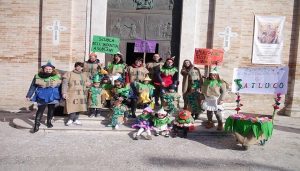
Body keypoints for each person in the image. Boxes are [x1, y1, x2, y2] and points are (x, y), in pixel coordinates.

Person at [26, 61, 62, 133]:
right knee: (40, 110)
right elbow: (33, 86)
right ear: (43, 69)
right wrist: (29, 95)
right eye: (46, 69)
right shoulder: (38, 76)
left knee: (51, 109)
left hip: (53, 95)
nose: (48, 70)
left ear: (52, 70)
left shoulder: (57, 76)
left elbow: (60, 86)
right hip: (42, 95)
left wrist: (62, 95)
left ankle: (49, 122)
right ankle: (36, 125)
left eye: (50, 69)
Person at [62, 62, 91, 126]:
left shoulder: (84, 74)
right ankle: (70, 119)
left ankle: (76, 119)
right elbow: (65, 83)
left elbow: (88, 83)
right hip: (72, 93)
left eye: (81, 66)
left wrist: (88, 84)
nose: (79, 68)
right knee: (72, 106)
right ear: (75, 66)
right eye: (77, 66)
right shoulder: (69, 73)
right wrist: (64, 92)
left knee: (79, 106)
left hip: (81, 93)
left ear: (82, 67)